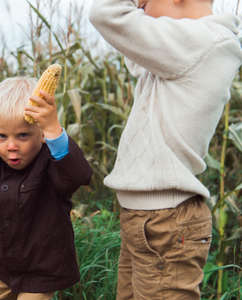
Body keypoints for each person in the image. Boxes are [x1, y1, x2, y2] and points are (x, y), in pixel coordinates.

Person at [89, 0, 242, 298]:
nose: (139, 10)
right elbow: (127, 40)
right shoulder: (179, 49)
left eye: (143, 3)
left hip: (165, 221)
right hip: (147, 218)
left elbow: (105, 13)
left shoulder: (203, 42)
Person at [0, 77, 92, 299]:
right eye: (1, 136)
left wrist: (54, 131)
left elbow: (79, 176)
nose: (11, 146)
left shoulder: (52, 158)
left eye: (22, 136)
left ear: (41, 133)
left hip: (42, 269)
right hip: (3, 266)